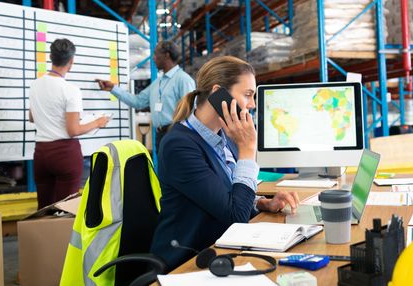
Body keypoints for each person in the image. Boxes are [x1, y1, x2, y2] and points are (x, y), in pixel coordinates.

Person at [150, 56, 299, 271]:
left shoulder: (223, 136)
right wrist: (248, 151)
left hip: (219, 250)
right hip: (188, 262)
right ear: (218, 93)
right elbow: (235, 217)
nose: (253, 104)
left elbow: (225, 194)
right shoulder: (179, 145)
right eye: (248, 95)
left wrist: (259, 203)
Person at [29, 38, 110, 209]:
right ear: (71, 61)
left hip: (41, 154)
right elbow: (73, 129)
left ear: (51, 57)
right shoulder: (70, 90)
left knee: (44, 209)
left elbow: (32, 117)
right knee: (66, 210)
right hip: (64, 154)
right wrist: (98, 122)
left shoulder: (35, 85)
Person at [96, 40, 195, 149]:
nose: (153, 58)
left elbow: (190, 112)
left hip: (177, 135)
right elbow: (137, 102)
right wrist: (113, 88)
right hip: (160, 135)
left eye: (156, 54)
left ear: (166, 55)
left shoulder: (183, 80)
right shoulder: (158, 83)